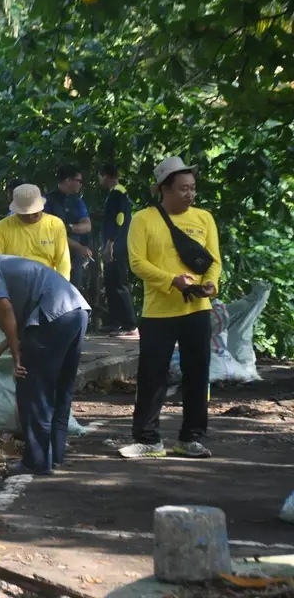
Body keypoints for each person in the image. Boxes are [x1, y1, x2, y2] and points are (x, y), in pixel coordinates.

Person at [119, 157, 220, 460]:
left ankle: (191, 438)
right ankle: (148, 439)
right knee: (152, 375)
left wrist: (211, 284)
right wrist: (171, 280)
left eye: (192, 188)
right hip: (159, 311)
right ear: (164, 189)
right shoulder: (144, 219)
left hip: (197, 309)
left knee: (198, 373)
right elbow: (137, 262)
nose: (189, 194)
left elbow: (213, 261)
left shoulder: (204, 219)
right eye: (183, 189)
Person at [0, 254, 90, 476]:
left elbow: (6, 309)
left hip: (52, 314)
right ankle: (55, 455)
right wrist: (1, 349)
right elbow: (19, 323)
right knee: (60, 387)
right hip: (76, 310)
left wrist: (17, 355)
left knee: (32, 386)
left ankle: (36, 460)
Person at [0, 184, 71, 280]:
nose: (32, 216)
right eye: (27, 214)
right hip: (13, 281)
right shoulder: (2, 227)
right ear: (17, 212)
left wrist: (61, 286)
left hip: (46, 280)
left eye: (35, 212)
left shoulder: (55, 224)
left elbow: (63, 262)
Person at [98, 164, 137, 337]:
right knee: (111, 282)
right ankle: (116, 322)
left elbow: (119, 219)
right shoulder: (116, 193)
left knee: (119, 283)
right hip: (113, 244)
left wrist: (110, 243)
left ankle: (130, 325)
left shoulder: (118, 193)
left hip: (117, 246)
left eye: (100, 176)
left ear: (105, 175)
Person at [44, 165, 93, 289]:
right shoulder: (47, 201)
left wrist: (68, 228)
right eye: (79, 181)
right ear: (68, 180)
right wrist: (79, 246)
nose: (81, 184)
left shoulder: (77, 202)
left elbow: (87, 226)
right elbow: (50, 233)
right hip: (53, 254)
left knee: (74, 288)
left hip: (75, 255)